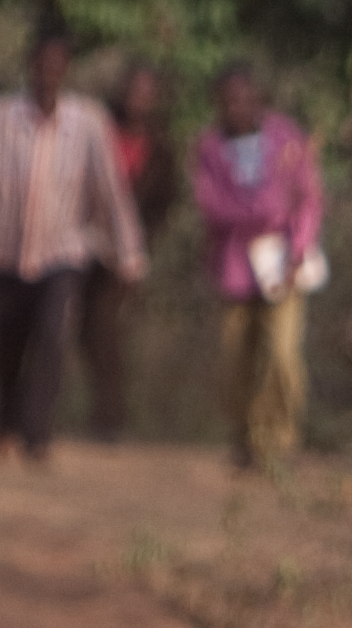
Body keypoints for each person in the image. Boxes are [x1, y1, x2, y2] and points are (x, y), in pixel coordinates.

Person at [0, 30, 143, 465]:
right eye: (41, 65)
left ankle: (37, 435)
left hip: (62, 253)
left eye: (57, 66)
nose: (48, 75)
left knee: (53, 337)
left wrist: (129, 253)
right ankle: (4, 423)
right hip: (4, 252)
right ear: (30, 67)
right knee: (7, 348)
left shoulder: (88, 122)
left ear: (66, 71)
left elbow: (110, 191)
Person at [189, 62, 324, 472]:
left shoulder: (285, 140)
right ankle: (244, 437)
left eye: (244, 98)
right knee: (235, 358)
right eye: (228, 100)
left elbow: (308, 198)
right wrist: (263, 212)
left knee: (283, 354)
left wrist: (297, 248)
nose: (237, 107)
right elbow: (211, 205)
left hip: (282, 264)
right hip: (233, 266)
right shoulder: (209, 148)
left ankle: (281, 438)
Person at [81, 56, 174, 443]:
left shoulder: (161, 146)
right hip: (86, 241)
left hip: (129, 252)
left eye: (147, 92)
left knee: (108, 330)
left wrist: (138, 245)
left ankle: (111, 417)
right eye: (134, 89)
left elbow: (165, 201)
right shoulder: (101, 131)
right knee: (83, 330)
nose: (139, 98)